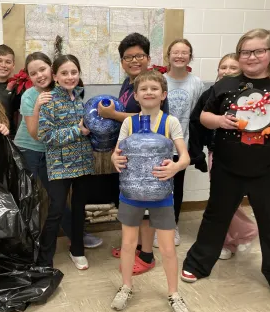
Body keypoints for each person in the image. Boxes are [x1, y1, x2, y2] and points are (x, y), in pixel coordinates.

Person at [181, 29, 270, 307]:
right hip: (229, 166)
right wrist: (219, 122)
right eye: (245, 52)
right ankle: (199, 263)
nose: (251, 57)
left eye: (258, 51)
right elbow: (204, 116)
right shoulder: (226, 84)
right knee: (216, 217)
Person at [110, 70, 190, 312]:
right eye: (143, 89)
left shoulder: (170, 122)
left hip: (161, 194)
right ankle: (126, 286)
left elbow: (185, 157)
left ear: (163, 94)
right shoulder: (129, 123)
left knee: (167, 248)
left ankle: (174, 293)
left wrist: (175, 167)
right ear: (136, 95)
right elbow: (117, 152)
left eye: (154, 89)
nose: (149, 93)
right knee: (127, 244)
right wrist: (114, 158)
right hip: (131, 193)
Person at [15, 51, 103, 248]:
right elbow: (37, 134)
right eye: (33, 73)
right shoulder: (30, 96)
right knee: (49, 201)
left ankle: (77, 237)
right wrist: (38, 107)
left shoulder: (67, 91)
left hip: (56, 151)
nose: (39, 75)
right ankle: (37, 244)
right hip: (32, 150)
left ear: (51, 70)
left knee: (58, 201)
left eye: (42, 69)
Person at [100, 33, 169, 274]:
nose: (133, 60)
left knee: (147, 201)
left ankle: (148, 255)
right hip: (133, 155)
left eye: (139, 55)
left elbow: (149, 118)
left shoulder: (153, 84)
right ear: (122, 61)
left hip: (151, 156)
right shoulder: (129, 83)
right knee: (135, 200)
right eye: (128, 57)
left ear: (148, 58)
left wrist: (113, 116)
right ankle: (137, 246)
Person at [190, 53, 259, 260]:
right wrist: (197, 154)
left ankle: (242, 234)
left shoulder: (250, 96)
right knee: (222, 199)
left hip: (245, 154)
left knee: (233, 199)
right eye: (223, 67)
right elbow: (196, 122)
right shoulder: (209, 94)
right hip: (217, 153)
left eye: (233, 68)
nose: (227, 71)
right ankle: (231, 240)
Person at [37, 54, 94, 269]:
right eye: (64, 73)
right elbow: (46, 136)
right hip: (60, 166)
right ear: (55, 76)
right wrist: (77, 130)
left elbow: (88, 129)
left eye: (74, 72)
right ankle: (44, 259)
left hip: (84, 163)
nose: (70, 77)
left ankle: (77, 250)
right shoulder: (49, 100)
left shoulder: (81, 98)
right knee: (56, 210)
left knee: (79, 209)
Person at [163, 39, 204, 246]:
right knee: (159, 186)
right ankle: (156, 227)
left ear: (190, 56)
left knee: (177, 187)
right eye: (175, 52)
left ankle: (172, 225)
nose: (179, 56)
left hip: (182, 146)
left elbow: (198, 117)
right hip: (160, 145)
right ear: (168, 55)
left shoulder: (196, 83)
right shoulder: (160, 80)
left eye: (184, 52)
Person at [0, 44, 19, 136]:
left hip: (9, 135)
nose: (3, 65)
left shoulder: (17, 86)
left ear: (13, 65)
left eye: (8, 62)